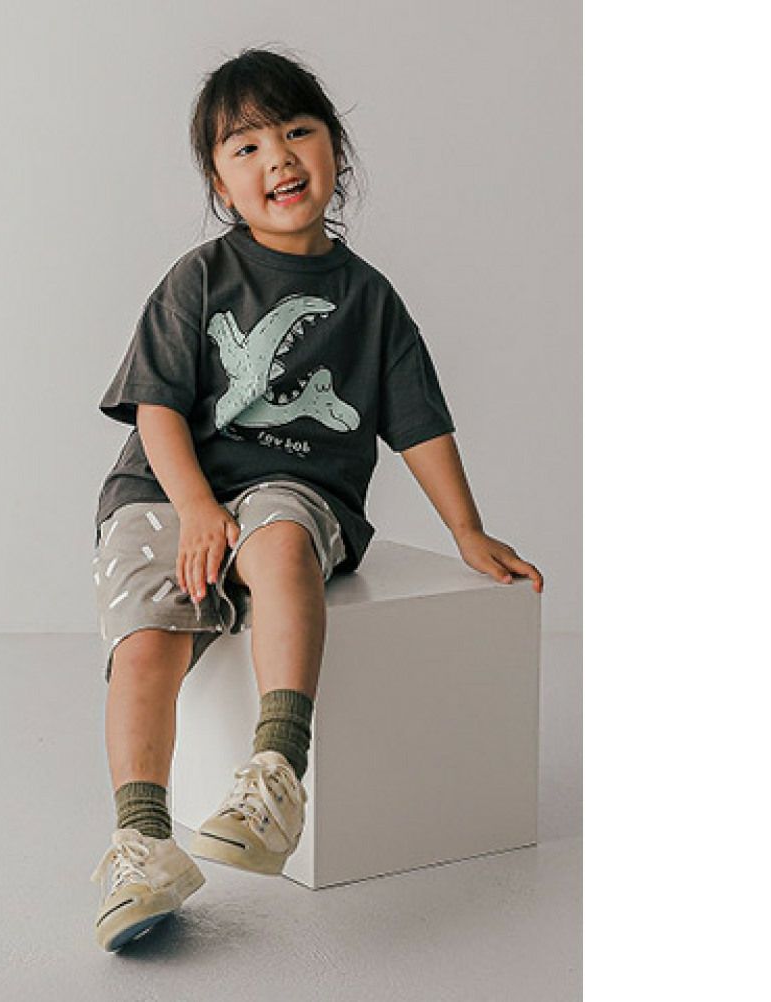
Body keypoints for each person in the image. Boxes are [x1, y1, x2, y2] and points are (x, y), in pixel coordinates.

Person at [88, 46, 544, 951]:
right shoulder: (198, 278)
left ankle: (275, 774)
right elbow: (157, 407)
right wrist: (197, 508)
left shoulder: (369, 300)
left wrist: (468, 529)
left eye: (297, 132)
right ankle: (143, 844)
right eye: (247, 147)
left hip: (296, 485)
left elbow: (418, 422)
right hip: (168, 486)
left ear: (336, 147)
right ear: (220, 183)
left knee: (283, 543)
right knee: (144, 644)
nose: (279, 158)